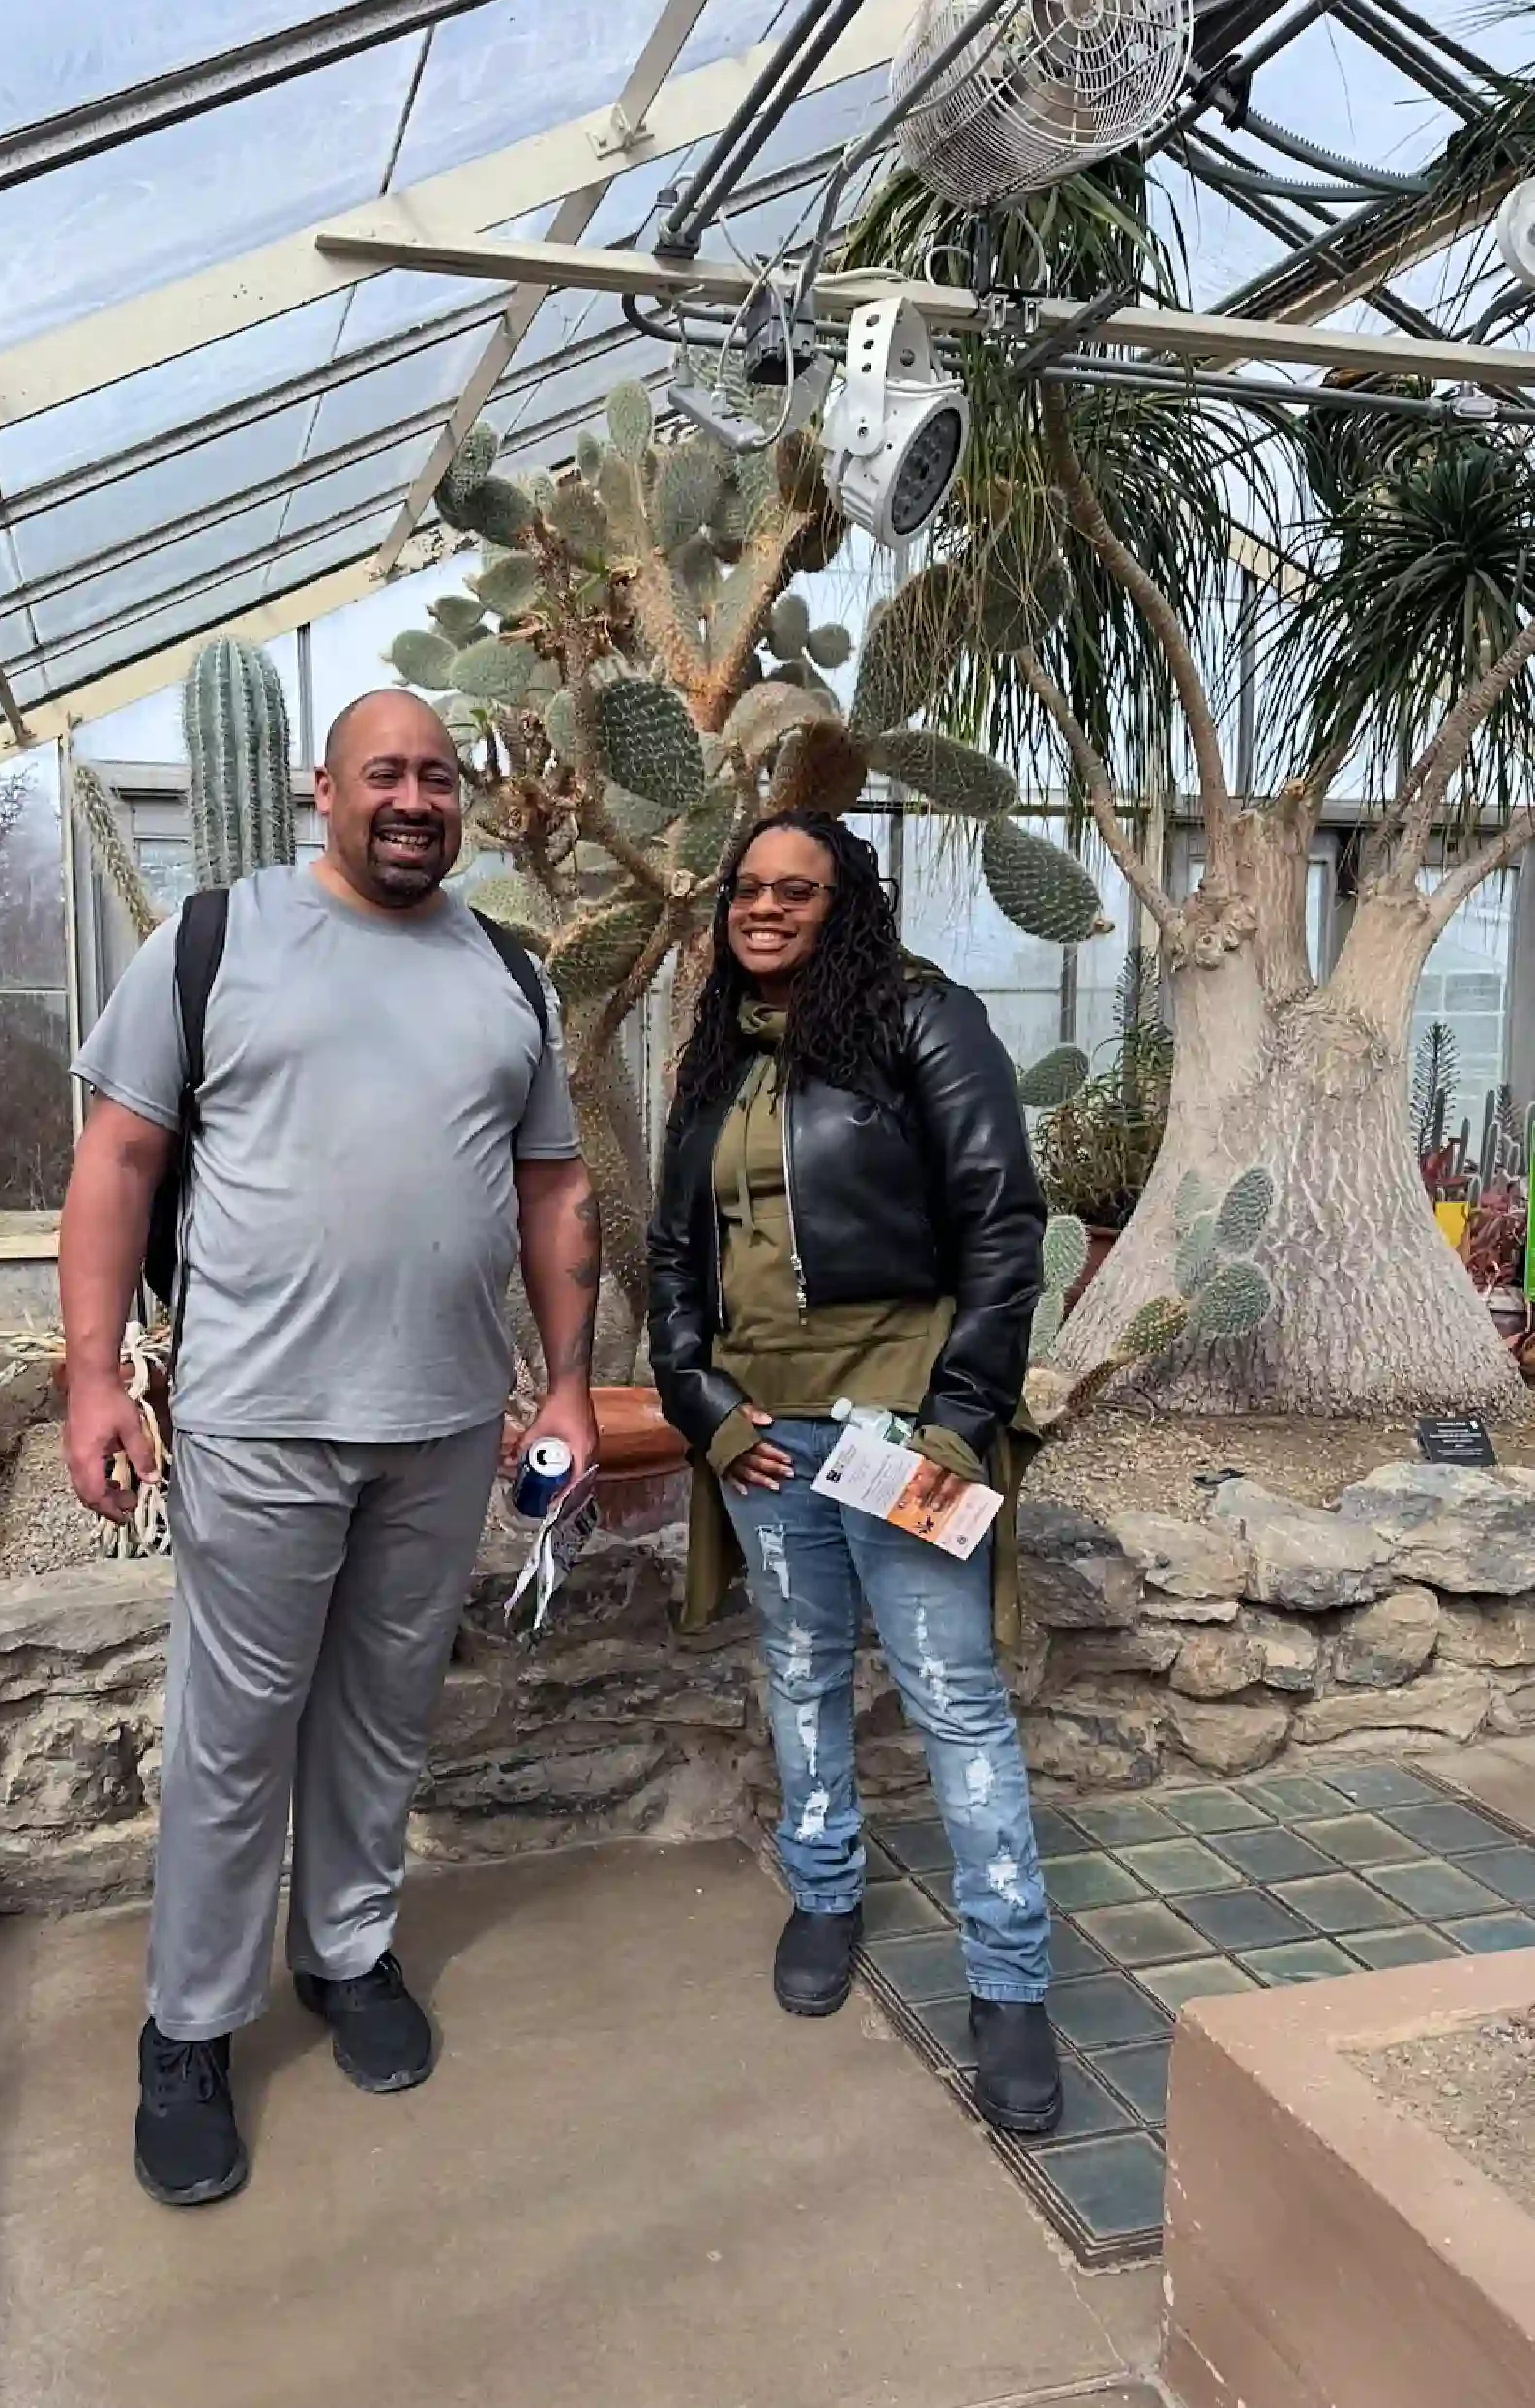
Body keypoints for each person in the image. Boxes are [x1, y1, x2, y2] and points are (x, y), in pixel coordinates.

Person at [60, 688, 600, 2207]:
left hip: (439, 1424)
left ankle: (348, 1953)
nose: (413, 799)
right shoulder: (214, 940)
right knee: (233, 1742)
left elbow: (554, 1191)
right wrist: (91, 1380)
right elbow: (116, 1159)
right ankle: (190, 2028)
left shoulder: (505, 973)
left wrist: (564, 1390)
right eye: (385, 774)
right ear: (321, 790)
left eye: (435, 776)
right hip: (260, 1423)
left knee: (378, 1715)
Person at [648, 808, 1060, 2133]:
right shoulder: (714, 1055)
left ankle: (1008, 1984)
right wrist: (704, 1408)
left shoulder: (920, 1024)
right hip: (763, 1442)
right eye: (745, 890)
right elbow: (668, 1261)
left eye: (796, 891)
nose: (762, 909)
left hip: (900, 1432)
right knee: (800, 1673)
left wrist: (957, 1417)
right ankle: (823, 1899)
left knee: (952, 1697)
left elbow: (1002, 1223)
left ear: (845, 903)